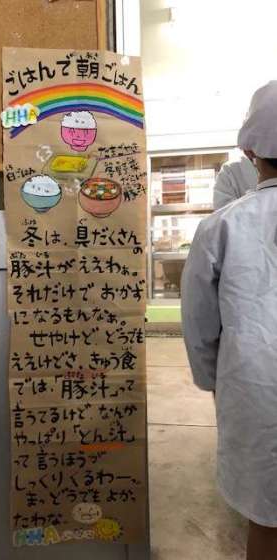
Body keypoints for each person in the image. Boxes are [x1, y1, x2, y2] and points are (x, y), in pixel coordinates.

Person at [181, 81, 277, 559]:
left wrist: (212, 379)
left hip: (255, 389)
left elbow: (199, 323)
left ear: (250, 151)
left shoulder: (221, 226)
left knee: (267, 515)